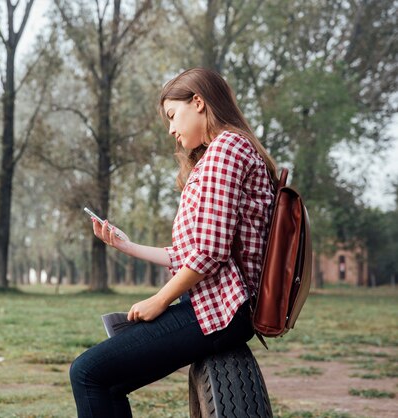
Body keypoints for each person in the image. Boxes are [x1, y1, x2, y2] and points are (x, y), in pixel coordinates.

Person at [69, 67, 278, 417]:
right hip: (217, 305)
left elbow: (210, 253)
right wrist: (127, 245)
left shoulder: (226, 148)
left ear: (198, 102)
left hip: (220, 310)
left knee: (88, 373)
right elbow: (190, 253)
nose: (171, 129)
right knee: (109, 381)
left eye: (172, 115)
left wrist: (159, 300)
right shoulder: (223, 152)